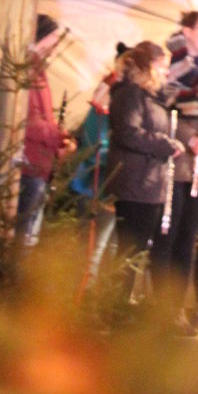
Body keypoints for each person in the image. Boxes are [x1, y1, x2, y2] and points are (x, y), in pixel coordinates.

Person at [152, 11, 198, 328]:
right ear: (187, 31)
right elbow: (161, 112)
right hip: (176, 161)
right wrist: (187, 138)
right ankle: (161, 309)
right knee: (169, 234)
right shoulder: (171, 66)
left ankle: (178, 309)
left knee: (189, 238)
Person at [106, 41, 184, 273]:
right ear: (148, 66)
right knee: (130, 253)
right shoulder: (130, 94)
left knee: (139, 252)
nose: (166, 72)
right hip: (135, 184)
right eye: (162, 66)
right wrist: (165, 145)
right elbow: (128, 133)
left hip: (149, 184)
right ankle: (118, 294)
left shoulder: (150, 98)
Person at [69, 43, 130, 281]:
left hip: (114, 181)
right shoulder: (107, 94)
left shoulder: (122, 94)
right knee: (94, 249)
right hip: (97, 181)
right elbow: (96, 140)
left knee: (111, 248)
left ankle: (101, 293)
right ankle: (86, 294)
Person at [15, 14, 75, 246]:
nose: (56, 45)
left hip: (39, 163)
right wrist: (58, 138)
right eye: (53, 38)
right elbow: (30, 120)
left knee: (30, 231)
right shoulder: (28, 71)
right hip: (30, 163)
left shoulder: (38, 71)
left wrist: (60, 140)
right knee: (24, 233)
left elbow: (43, 118)